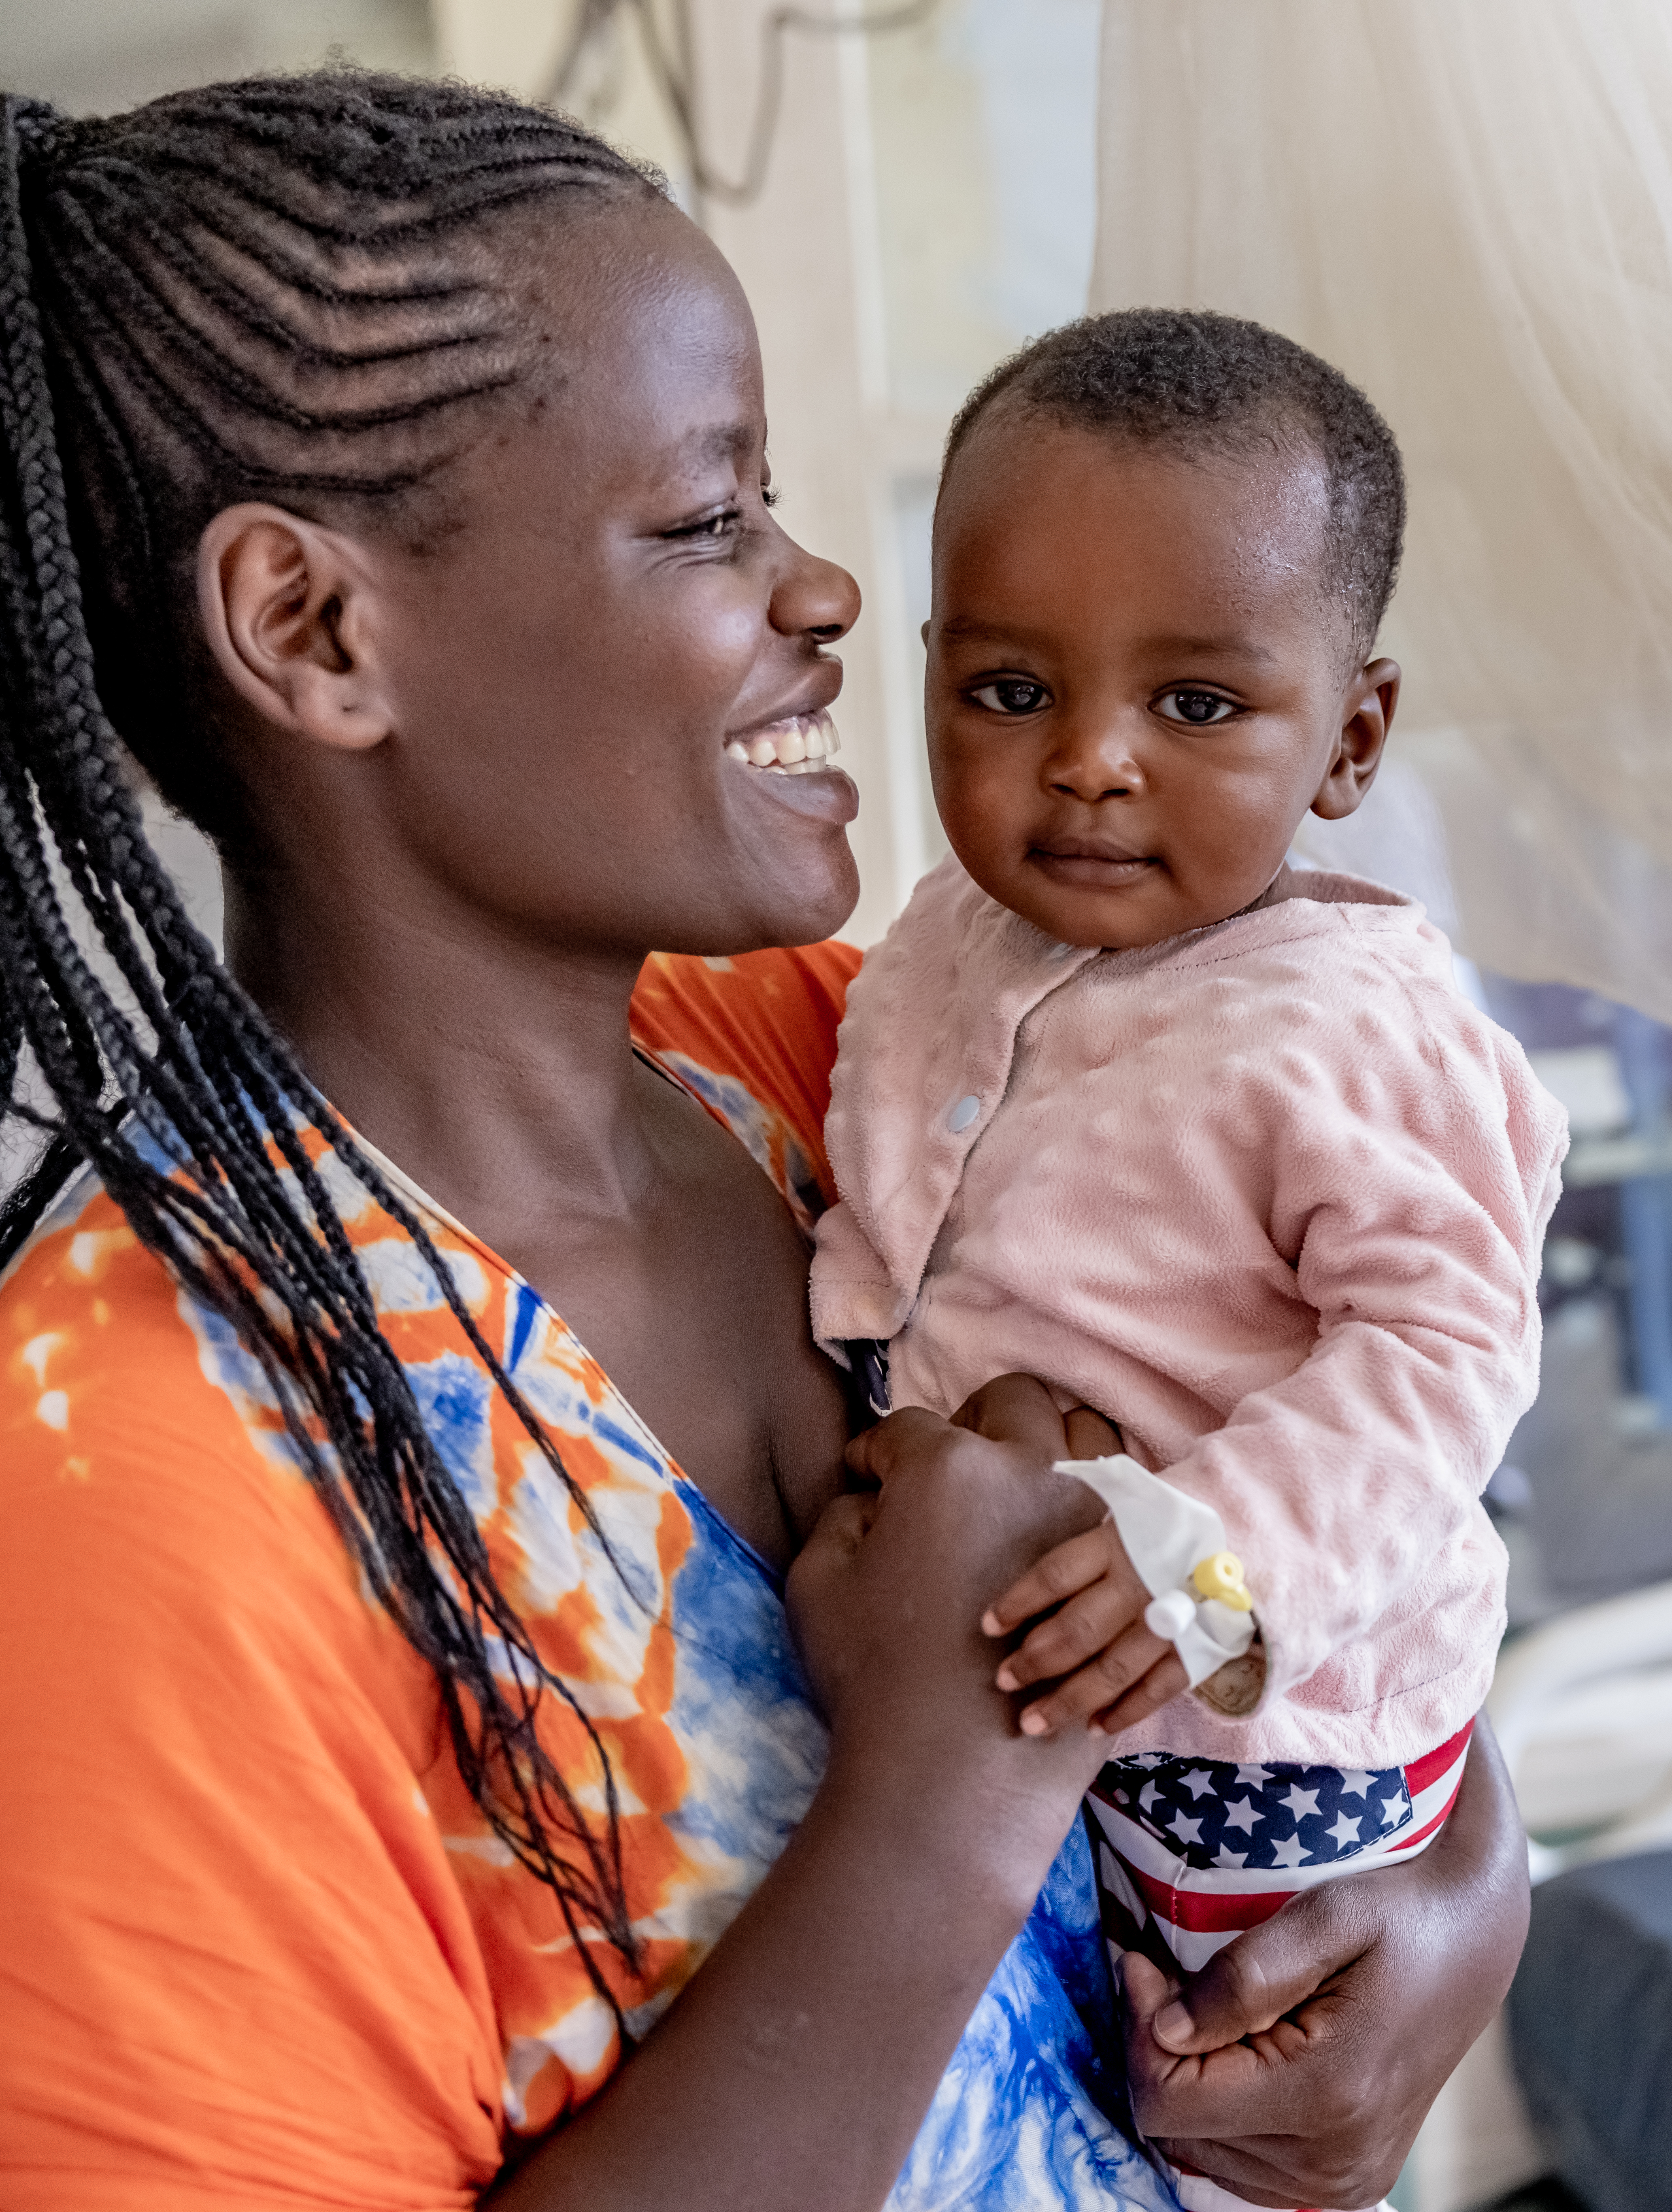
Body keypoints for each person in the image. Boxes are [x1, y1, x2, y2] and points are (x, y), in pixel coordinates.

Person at [0, 74, 1526, 2212]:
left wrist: (1465, 1885)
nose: (823, 590)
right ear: (316, 630)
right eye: (710, 517)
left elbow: (1335, 1452)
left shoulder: (859, 1066)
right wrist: (949, 1789)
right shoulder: (118, 1491)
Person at [805, 312, 1566, 2204]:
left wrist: (1210, 1560)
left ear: (1350, 739)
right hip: (1025, 1704)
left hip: (1261, 1748)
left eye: (1198, 708)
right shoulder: (938, 941)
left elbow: (1444, 1353)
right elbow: (890, 1216)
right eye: (1006, 690)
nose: (1087, 765)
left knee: (1213, 2100)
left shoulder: (1351, 1029)